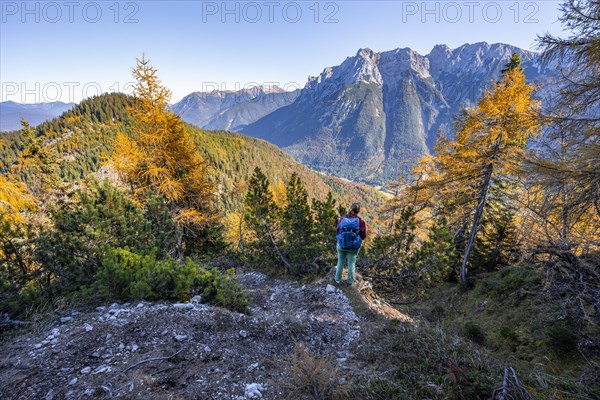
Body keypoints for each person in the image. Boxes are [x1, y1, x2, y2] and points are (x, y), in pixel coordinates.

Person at [334, 203, 367, 286]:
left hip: (342, 244)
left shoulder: (342, 218)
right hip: (353, 246)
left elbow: (337, 230)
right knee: (351, 263)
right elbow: (363, 236)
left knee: (340, 261)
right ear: (358, 211)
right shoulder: (360, 221)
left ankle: (337, 279)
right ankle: (349, 282)